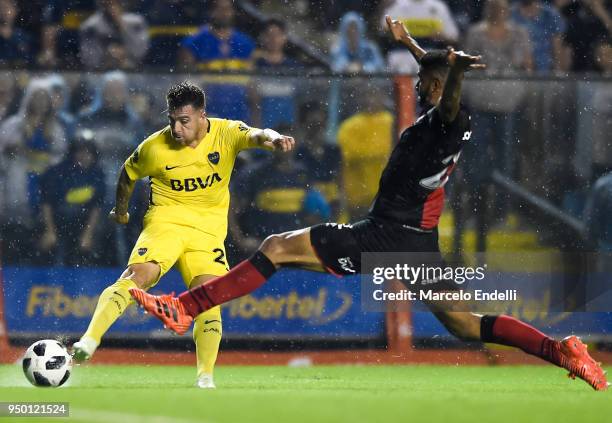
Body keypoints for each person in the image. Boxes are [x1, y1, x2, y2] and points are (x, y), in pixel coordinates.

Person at [130, 17, 608, 391]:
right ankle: (560, 350)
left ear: (440, 88)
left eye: (425, 80)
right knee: (465, 324)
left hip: (388, 235)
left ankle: (186, 307)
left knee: (276, 247)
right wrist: (410, 44)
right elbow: (438, 79)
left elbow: (446, 92)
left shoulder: (447, 115)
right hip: (418, 242)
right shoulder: (450, 115)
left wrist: (456, 69)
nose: (418, 84)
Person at [71, 81, 295, 390]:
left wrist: (275, 139)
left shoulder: (227, 133)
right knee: (139, 276)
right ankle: (89, 340)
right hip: (167, 222)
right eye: (172, 120)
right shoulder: (154, 147)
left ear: (202, 116)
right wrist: (121, 211)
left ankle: (205, 376)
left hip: (208, 232)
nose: (176, 128)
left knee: (209, 297)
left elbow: (258, 134)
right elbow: (127, 174)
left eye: (184, 120)